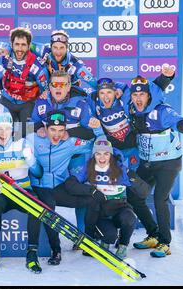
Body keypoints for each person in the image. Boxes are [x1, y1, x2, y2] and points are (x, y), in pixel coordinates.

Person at [127, 76, 183, 257]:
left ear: (149, 96)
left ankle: (164, 242)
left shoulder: (161, 111)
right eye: (135, 95)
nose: (138, 98)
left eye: (142, 94)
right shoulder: (131, 110)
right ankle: (153, 234)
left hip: (168, 163)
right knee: (134, 196)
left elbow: (180, 122)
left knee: (160, 199)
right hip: (148, 163)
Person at [32, 70, 103, 232]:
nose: (58, 88)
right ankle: (48, 235)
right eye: (54, 84)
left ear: (69, 86)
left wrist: (70, 133)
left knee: (79, 190)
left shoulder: (80, 103)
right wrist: (38, 129)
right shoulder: (41, 103)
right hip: (54, 158)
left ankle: (83, 234)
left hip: (76, 156)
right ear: (49, 86)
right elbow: (32, 124)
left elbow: (90, 132)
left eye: (62, 84)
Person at [0, 113, 43, 273]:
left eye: (6, 129)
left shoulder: (22, 144)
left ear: (12, 130)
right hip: (1, 193)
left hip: (22, 190)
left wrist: (31, 161)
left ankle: (32, 253)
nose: (3, 132)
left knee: (36, 206)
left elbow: (38, 173)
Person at [64, 137, 151, 259]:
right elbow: (70, 185)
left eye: (106, 154)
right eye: (98, 154)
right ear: (94, 155)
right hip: (101, 214)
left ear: (111, 155)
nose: (102, 158)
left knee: (129, 218)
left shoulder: (120, 169)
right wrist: (91, 190)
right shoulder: (88, 168)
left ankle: (123, 244)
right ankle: (105, 239)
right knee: (109, 236)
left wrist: (132, 177)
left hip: (120, 209)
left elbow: (144, 192)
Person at [28, 111, 96, 265]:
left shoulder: (70, 143)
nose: (56, 135)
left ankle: (90, 237)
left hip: (59, 187)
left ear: (65, 130)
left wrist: (97, 129)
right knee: (48, 208)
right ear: (45, 127)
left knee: (90, 199)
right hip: (39, 188)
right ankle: (56, 250)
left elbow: (95, 144)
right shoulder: (32, 139)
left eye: (60, 131)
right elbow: (15, 142)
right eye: (52, 130)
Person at [87, 66, 175, 171]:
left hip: (133, 144)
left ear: (115, 92)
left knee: (137, 174)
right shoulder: (93, 101)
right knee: (113, 175)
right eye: (102, 93)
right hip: (113, 149)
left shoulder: (126, 96)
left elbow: (150, 90)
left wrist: (165, 78)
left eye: (109, 92)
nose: (106, 97)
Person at [0, 20, 49, 137]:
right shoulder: (5, 50)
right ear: (11, 44)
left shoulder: (37, 67)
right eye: (17, 44)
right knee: (3, 134)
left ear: (29, 46)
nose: (20, 49)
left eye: (23, 45)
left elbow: (45, 90)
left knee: (25, 136)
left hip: (27, 104)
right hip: (7, 100)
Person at [21, 30, 96, 88]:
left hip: (66, 94)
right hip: (45, 87)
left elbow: (94, 84)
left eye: (62, 48)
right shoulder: (43, 50)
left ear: (67, 48)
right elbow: (22, 44)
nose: (58, 52)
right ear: (51, 46)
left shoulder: (76, 65)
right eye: (55, 47)